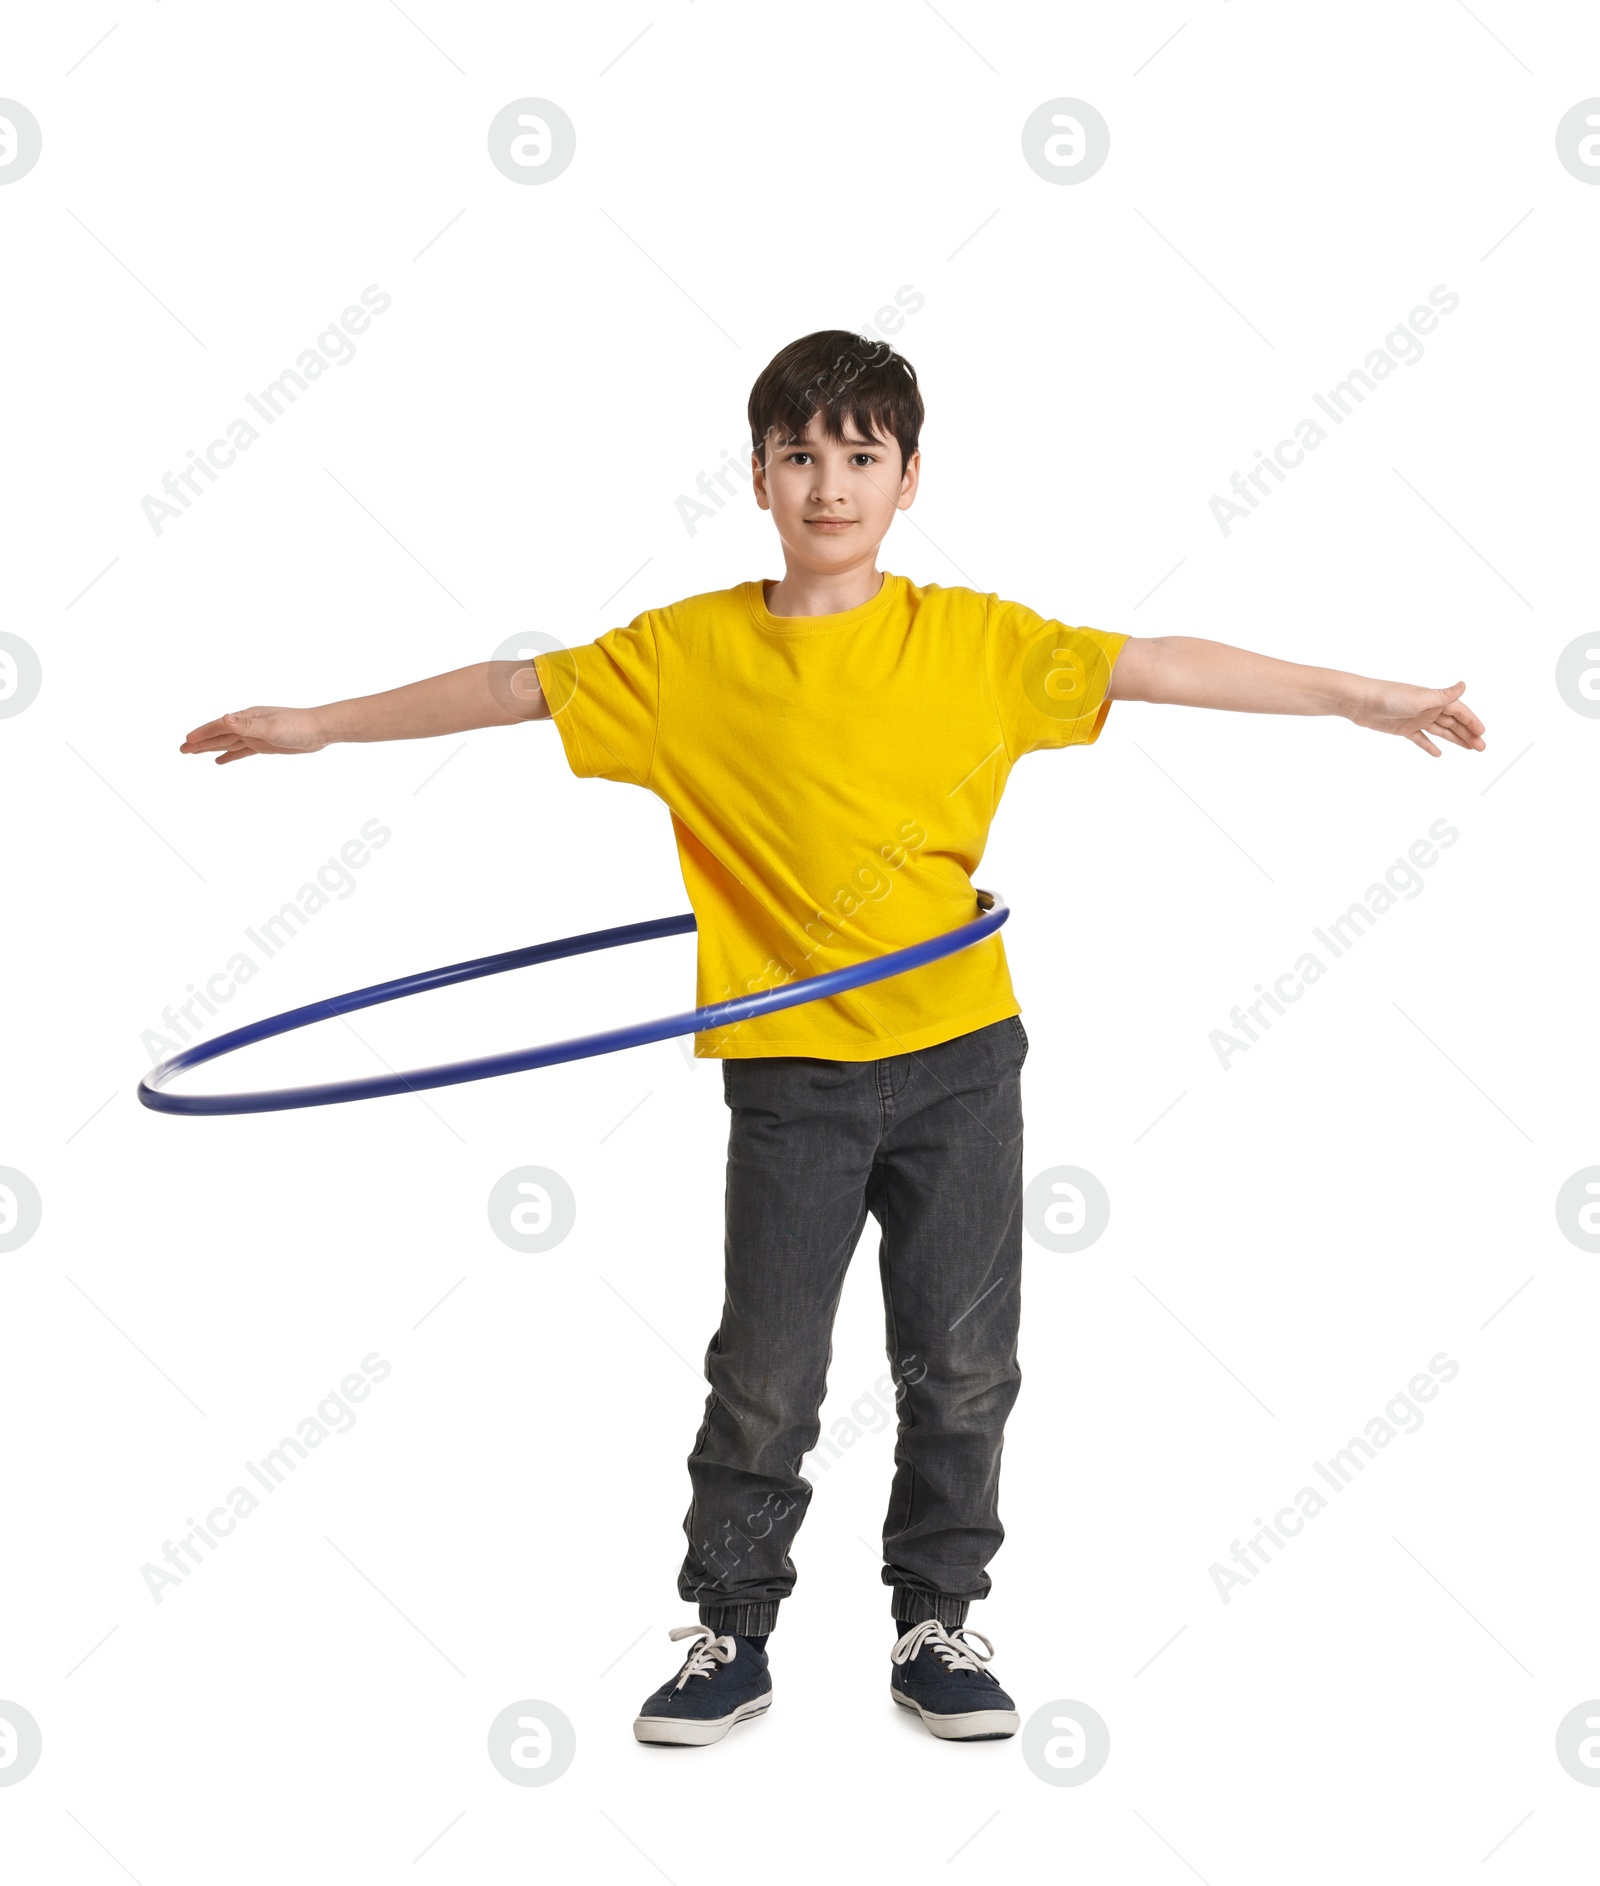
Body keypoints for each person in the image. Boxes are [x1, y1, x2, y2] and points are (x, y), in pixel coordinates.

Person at [179, 330, 1486, 1748]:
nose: (828, 482)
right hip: (791, 1079)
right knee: (768, 1366)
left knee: (964, 1356)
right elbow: (513, 691)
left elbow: (1155, 659)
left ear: (911, 477)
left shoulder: (974, 641)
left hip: (962, 1061)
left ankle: (938, 1620)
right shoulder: (685, 654)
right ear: (756, 475)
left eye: (861, 455)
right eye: (800, 453)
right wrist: (315, 723)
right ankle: (726, 1631)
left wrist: (1366, 696)